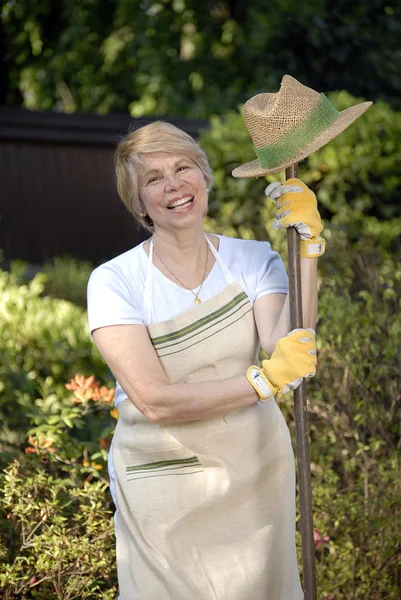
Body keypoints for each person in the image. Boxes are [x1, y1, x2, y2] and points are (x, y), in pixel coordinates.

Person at [87, 120, 322, 600]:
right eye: (153, 179)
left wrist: (309, 250)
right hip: (163, 488)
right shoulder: (115, 282)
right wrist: (261, 383)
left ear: (205, 176)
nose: (174, 185)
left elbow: (287, 345)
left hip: (253, 476)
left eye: (183, 167)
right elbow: (154, 400)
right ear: (138, 202)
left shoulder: (254, 260)